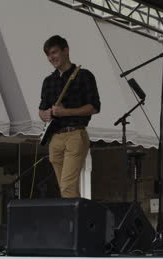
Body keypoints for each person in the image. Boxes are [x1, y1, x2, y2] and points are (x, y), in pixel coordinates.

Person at [39, 35, 101, 198]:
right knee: (66, 189)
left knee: (67, 187)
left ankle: (72, 222)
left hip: (75, 134)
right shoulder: (48, 81)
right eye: (48, 55)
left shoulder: (84, 75)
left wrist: (66, 112)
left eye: (54, 52)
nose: (51, 57)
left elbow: (94, 107)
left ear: (66, 50)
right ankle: (77, 219)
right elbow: (42, 109)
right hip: (55, 137)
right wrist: (44, 114)